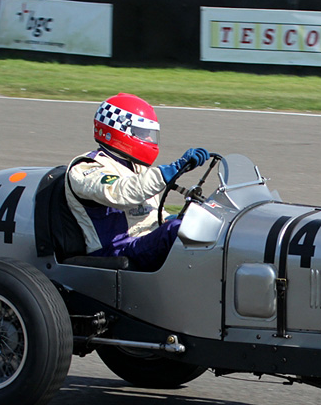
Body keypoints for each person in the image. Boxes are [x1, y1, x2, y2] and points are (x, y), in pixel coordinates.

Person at [65, 93, 211, 272]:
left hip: (142, 242)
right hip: (115, 249)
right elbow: (122, 193)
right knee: (179, 230)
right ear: (118, 131)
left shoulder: (136, 167)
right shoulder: (87, 168)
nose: (149, 140)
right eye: (142, 133)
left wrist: (170, 218)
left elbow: (149, 213)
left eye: (150, 134)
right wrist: (173, 169)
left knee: (198, 222)